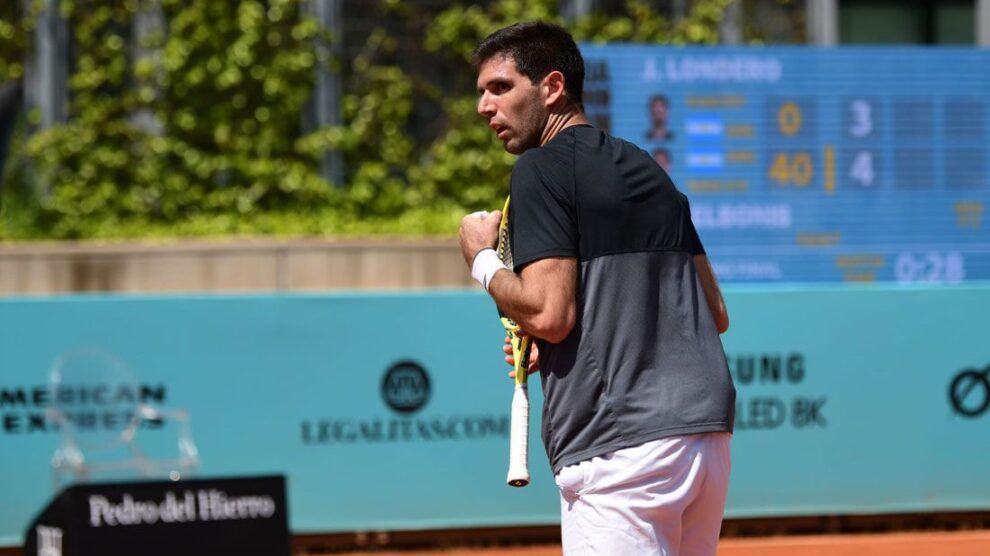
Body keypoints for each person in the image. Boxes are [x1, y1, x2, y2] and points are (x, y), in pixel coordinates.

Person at [458, 21, 736, 556]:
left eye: (500, 87)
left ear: (553, 87)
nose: (483, 108)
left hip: (621, 448)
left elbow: (550, 312)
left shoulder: (540, 169)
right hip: (704, 440)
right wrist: (575, 340)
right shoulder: (651, 173)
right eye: (481, 93)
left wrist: (482, 260)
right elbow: (713, 312)